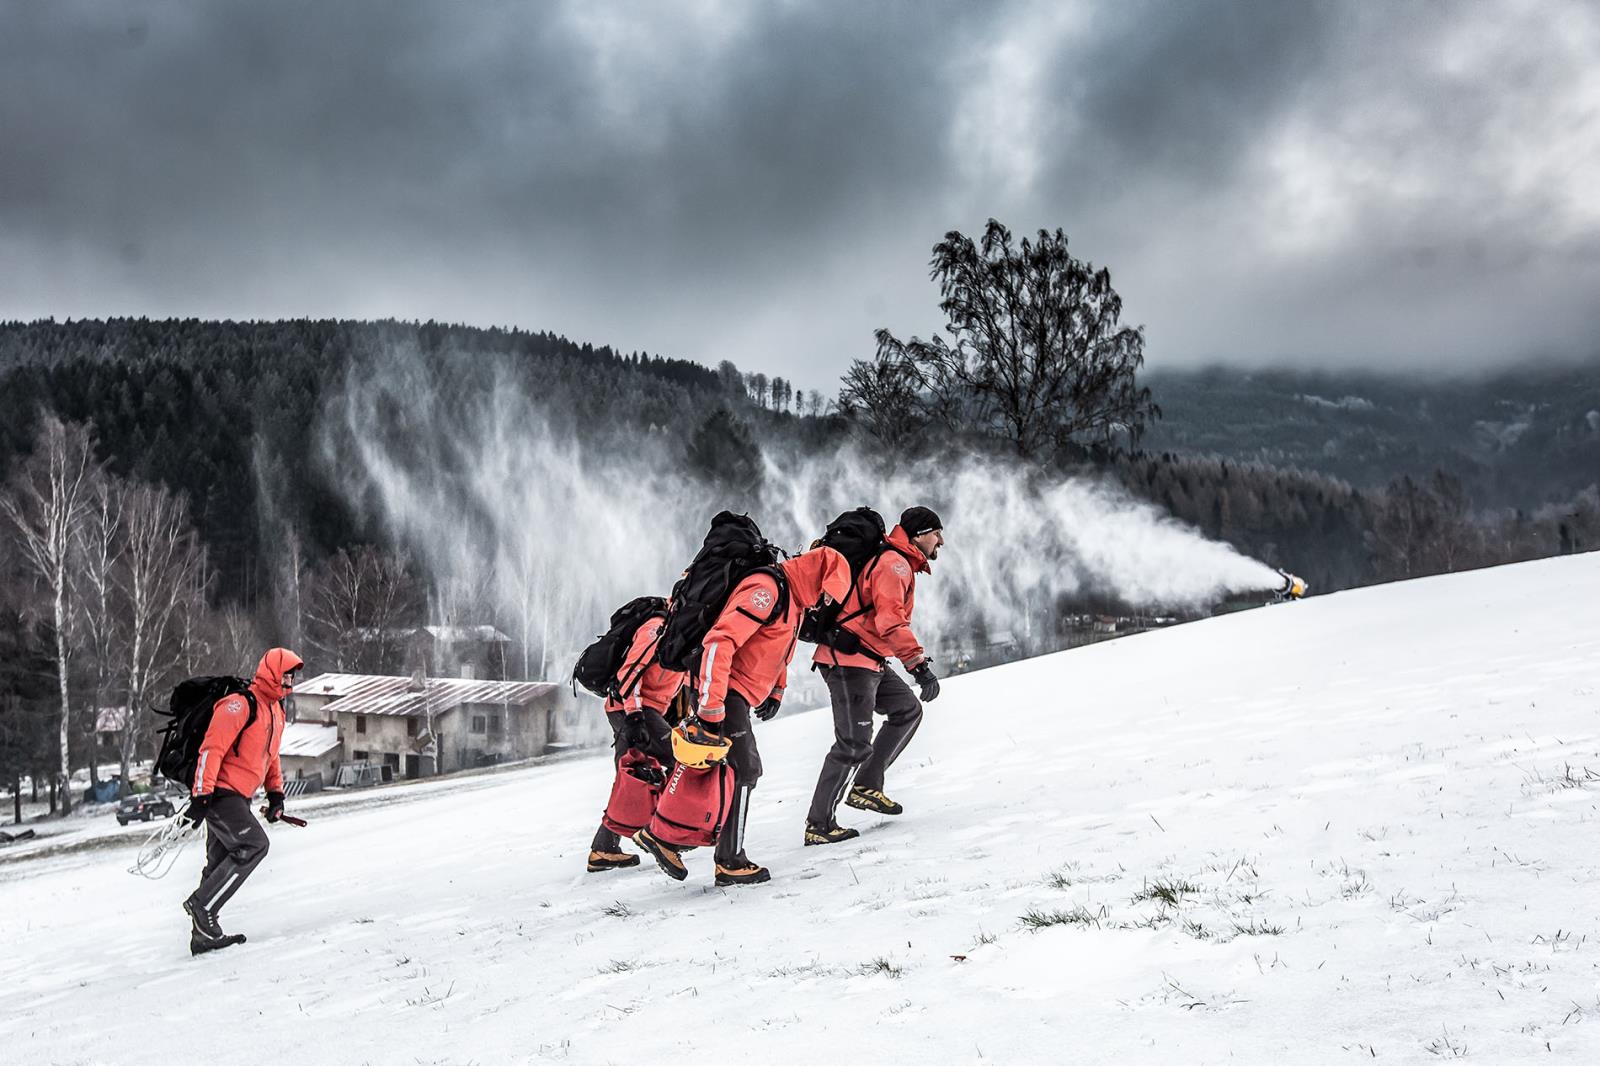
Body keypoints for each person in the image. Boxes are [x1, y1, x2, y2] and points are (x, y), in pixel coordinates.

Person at [634, 546, 850, 886]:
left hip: (735, 693)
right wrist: (710, 706)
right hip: (723, 692)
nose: (825, 602)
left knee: (712, 769)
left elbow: (777, 650)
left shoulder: (794, 602)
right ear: (817, 577)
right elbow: (720, 643)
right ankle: (730, 861)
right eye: (826, 593)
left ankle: (663, 836)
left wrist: (776, 690)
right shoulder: (767, 590)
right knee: (745, 768)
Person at [804, 506, 944, 846]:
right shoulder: (893, 564)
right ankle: (818, 824)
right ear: (919, 534)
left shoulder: (897, 561)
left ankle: (867, 785)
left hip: (869, 659)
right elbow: (890, 621)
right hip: (849, 661)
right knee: (852, 742)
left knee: (907, 710)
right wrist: (919, 666)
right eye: (937, 533)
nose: (941, 540)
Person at [181, 647, 303, 955]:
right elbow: (212, 749)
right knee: (254, 845)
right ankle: (202, 907)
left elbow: (270, 757)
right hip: (220, 794)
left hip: (240, 796)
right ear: (273, 672)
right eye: (286, 673)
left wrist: (276, 795)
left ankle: (203, 935)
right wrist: (201, 795)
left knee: (219, 861)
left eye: (293, 675)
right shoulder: (239, 704)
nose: (290, 680)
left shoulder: (275, 710)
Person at [587, 609, 684, 872]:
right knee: (682, 763)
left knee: (630, 779)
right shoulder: (658, 626)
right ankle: (661, 834)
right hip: (633, 709)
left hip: (641, 710)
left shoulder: (685, 628)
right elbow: (630, 671)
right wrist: (635, 716)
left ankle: (604, 848)